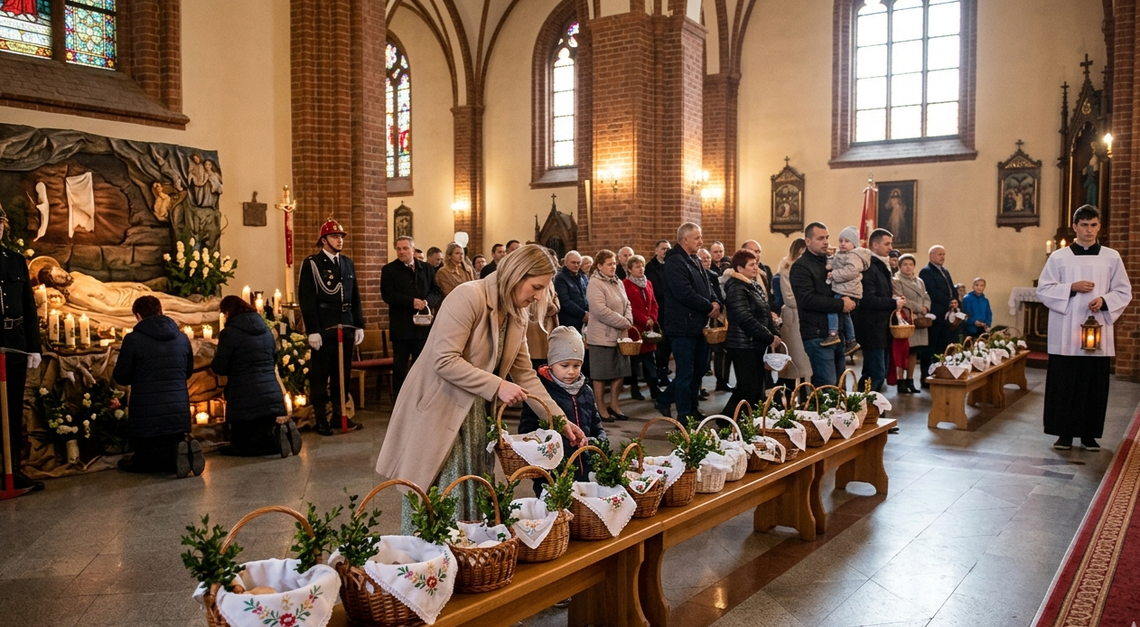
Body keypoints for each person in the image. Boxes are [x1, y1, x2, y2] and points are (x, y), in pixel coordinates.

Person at [375, 244, 587, 523]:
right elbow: (444, 360)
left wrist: (559, 421)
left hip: (477, 416)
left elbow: (525, 375)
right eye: (536, 287)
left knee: (475, 499)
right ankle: (436, 561)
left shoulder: (516, 313)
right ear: (516, 275)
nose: (538, 297)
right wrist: (498, 385)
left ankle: (471, 559)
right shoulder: (468, 296)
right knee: (442, 499)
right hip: (441, 408)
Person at [1038, 205, 1131, 451]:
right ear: (1075, 227)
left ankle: (1089, 435)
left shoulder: (1112, 257)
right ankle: (1064, 434)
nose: (1088, 230)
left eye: (1093, 225)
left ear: (1099, 226)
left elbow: (1123, 291)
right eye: (1084, 225)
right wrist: (1071, 287)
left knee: (1093, 385)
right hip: (1066, 332)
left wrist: (1104, 301)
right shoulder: (1059, 257)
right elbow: (1044, 290)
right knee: (1064, 383)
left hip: (1096, 330)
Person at [112, 295, 200, 477]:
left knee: (146, 459)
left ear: (138, 315)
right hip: (178, 411)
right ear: (161, 310)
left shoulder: (133, 339)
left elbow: (121, 376)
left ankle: (167, 461)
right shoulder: (182, 338)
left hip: (147, 412)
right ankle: (181, 455)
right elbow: (188, 371)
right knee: (172, 442)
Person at [298, 218, 365, 436]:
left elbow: (355, 296)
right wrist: (313, 330)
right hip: (324, 327)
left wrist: (358, 324)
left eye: (341, 237)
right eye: (335, 237)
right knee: (320, 375)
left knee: (342, 375)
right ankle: (321, 419)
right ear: (324, 240)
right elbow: (307, 299)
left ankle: (339, 415)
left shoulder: (347, 263)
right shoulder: (312, 264)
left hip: (345, 325)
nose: (340, 240)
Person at [519, 326, 605, 485]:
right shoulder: (541, 393)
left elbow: (596, 424)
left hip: (584, 466)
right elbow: (527, 431)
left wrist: (599, 441)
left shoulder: (586, 391)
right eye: (564, 366)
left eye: (576, 366)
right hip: (551, 472)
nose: (571, 372)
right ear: (551, 364)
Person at [31, 256, 221, 328]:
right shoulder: (75, 295)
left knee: (176, 300)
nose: (63, 275)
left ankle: (206, 307)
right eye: (58, 277)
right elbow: (108, 311)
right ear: (55, 284)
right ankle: (208, 314)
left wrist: (132, 285)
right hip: (124, 305)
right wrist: (133, 312)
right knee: (171, 306)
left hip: (128, 294)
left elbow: (108, 284)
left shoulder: (76, 274)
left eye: (60, 271)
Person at [211, 295, 293, 457]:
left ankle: (263, 446)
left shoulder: (230, 333)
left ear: (228, 313)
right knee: (264, 432)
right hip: (270, 394)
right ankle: (278, 441)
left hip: (244, 398)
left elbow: (220, 367)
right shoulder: (266, 330)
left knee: (243, 444)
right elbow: (273, 357)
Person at [656, 223, 720, 420]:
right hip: (682, 326)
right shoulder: (675, 262)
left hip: (697, 325)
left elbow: (706, 286)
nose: (701, 241)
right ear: (684, 240)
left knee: (699, 370)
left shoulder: (694, 259)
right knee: (685, 373)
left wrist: (715, 300)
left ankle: (682, 404)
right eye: (697, 238)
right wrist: (709, 307)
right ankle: (684, 416)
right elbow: (684, 293)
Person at [0, 206, 43, 494]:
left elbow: (29, 305)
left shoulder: (15, 261)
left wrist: (33, 347)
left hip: (14, 342)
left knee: (13, 411)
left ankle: (14, 470)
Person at [790, 223, 853, 387]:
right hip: (817, 335)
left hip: (837, 333)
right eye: (820, 238)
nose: (825, 242)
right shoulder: (801, 267)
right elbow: (807, 299)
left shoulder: (832, 263)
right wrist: (840, 304)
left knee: (840, 385)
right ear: (808, 241)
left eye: (827, 238)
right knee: (828, 386)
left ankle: (841, 414)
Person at [381, 235, 444, 400]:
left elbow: (436, 291)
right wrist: (411, 302)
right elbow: (388, 295)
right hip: (402, 328)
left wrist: (426, 302)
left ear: (413, 250)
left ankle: (420, 401)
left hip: (423, 328)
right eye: (399, 249)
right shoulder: (389, 270)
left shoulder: (427, 268)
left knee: (423, 368)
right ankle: (399, 404)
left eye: (405, 248)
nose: (402, 252)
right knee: (400, 370)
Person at [721, 249, 780, 415]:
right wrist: (768, 336)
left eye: (756, 264)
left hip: (755, 343)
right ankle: (727, 420)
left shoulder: (752, 285)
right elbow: (744, 318)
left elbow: (765, 312)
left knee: (756, 388)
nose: (756, 267)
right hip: (742, 344)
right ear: (740, 268)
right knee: (748, 387)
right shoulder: (736, 287)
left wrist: (774, 333)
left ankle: (749, 420)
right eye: (751, 264)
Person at [852, 228, 905, 393]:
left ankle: (868, 409)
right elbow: (868, 299)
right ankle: (863, 409)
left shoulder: (881, 265)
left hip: (881, 327)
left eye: (891, 243)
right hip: (872, 327)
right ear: (875, 245)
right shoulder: (869, 267)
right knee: (876, 373)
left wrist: (893, 298)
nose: (890, 247)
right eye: (887, 243)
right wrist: (892, 303)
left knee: (874, 373)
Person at [586, 249, 634, 421]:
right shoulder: (595, 283)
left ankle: (614, 405)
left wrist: (628, 318)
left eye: (614, 263)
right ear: (599, 266)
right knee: (601, 375)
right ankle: (600, 408)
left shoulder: (617, 281)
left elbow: (627, 303)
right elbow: (600, 310)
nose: (613, 267)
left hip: (620, 335)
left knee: (619, 372)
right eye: (609, 264)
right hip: (602, 336)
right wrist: (623, 322)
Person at [824, 226, 870, 353]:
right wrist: (830, 263)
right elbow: (836, 262)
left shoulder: (854, 255)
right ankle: (851, 339)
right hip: (844, 286)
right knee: (845, 315)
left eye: (847, 241)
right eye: (841, 240)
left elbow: (852, 270)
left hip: (848, 288)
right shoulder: (843, 254)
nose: (843, 243)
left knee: (833, 307)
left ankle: (833, 333)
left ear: (854, 244)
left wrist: (835, 274)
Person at [623, 254, 660, 400]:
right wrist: (644, 319)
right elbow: (628, 306)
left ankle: (654, 388)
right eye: (637, 266)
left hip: (648, 330)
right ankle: (635, 388)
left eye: (642, 265)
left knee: (650, 362)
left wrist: (652, 318)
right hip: (635, 329)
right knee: (634, 363)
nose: (641, 269)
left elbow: (654, 303)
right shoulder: (625, 284)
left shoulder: (648, 283)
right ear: (630, 269)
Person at [892, 253, 931, 393]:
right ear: (900, 266)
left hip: (919, 320)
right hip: (907, 319)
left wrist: (926, 307)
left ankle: (910, 380)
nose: (908, 267)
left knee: (914, 351)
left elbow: (926, 296)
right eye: (905, 264)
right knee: (904, 350)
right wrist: (919, 308)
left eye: (911, 264)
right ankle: (900, 380)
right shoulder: (896, 280)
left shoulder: (919, 281)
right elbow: (901, 299)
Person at [776, 238, 812, 389]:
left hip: (807, 315)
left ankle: (806, 392)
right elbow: (789, 298)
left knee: (807, 361)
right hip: (794, 316)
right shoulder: (787, 268)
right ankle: (789, 393)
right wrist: (810, 301)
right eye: (801, 253)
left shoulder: (808, 267)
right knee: (796, 360)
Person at [919, 245, 956, 387]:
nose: (942, 257)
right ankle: (926, 378)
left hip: (946, 314)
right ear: (931, 256)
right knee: (930, 347)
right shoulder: (926, 272)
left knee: (942, 346)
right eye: (939, 254)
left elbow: (951, 288)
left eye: (944, 254)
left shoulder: (945, 271)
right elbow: (932, 292)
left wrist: (955, 300)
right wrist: (948, 301)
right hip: (935, 313)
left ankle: (939, 374)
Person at [526, 250, 561, 369]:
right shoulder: (536, 279)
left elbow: (555, 297)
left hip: (547, 326)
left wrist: (554, 305)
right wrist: (551, 306)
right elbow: (539, 302)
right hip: (535, 326)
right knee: (535, 362)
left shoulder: (550, 281)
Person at [646, 239, 673, 389]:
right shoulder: (650, 268)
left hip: (670, 311)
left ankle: (664, 372)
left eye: (668, 249)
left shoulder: (671, 265)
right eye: (663, 249)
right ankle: (658, 375)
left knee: (668, 344)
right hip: (658, 310)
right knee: (660, 345)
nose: (665, 251)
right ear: (656, 251)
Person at [554, 250, 589, 332]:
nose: (576, 265)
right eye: (573, 262)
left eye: (578, 263)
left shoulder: (583, 277)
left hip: (585, 320)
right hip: (569, 321)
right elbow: (564, 300)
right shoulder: (560, 278)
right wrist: (582, 314)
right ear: (565, 263)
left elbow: (588, 295)